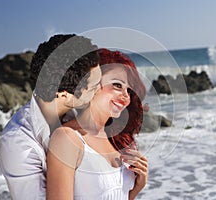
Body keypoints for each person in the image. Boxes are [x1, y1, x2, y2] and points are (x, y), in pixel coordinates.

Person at [0, 34, 102, 199]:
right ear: (64, 95)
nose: (100, 91)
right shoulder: (19, 142)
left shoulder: (81, 109)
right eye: (94, 88)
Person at [47, 48, 148, 200]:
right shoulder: (67, 138)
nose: (126, 96)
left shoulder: (117, 140)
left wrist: (136, 189)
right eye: (117, 85)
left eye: (128, 90)